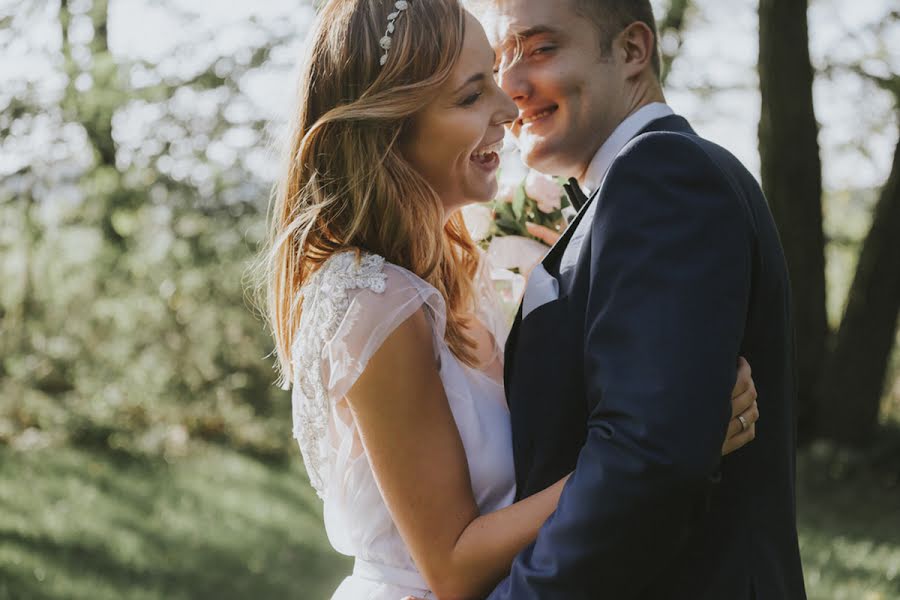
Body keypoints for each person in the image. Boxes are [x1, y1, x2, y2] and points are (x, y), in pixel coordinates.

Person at [258, 1, 759, 599]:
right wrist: (681, 436)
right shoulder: (374, 301)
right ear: (389, 125)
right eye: (472, 96)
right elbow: (450, 565)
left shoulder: (452, 278)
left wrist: (680, 398)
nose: (506, 106)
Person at [461, 0, 806, 598]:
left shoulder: (661, 175)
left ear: (631, 51)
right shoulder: (630, 186)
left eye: (540, 49)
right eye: (497, 64)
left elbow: (647, 458)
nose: (510, 87)